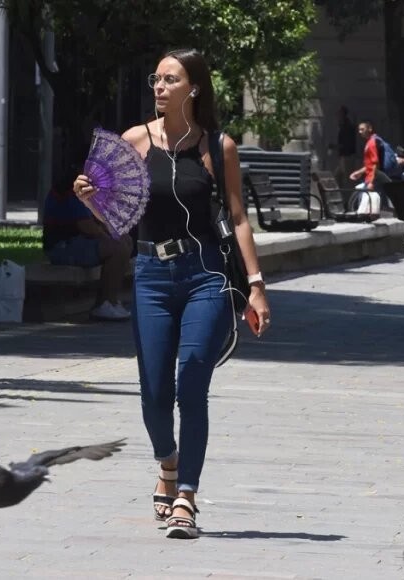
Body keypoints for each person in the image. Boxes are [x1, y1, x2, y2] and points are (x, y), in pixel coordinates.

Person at [74, 48, 271, 539]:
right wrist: (91, 199)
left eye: (170, 79)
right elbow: (115, 221)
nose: (159, 87)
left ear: (193, 88)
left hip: (205, 272)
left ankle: (186, 495)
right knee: (155, 395)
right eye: (155, 79)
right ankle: (167, 462)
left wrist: (256, 287)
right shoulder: (133, 142)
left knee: (193, 381)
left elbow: (239, 218)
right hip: (151, 274)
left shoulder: (218, 145)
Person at [43, 173, 133, 320]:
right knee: (117, 248)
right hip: (62, 247)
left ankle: (111, 301)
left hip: (78, 242)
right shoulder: (73, 189)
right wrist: (110, 237)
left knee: (125, 241)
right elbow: (86, 226)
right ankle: (105, 303)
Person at [348, 121, 391, 215]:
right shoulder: (371, 142)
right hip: (372, 175)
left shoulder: (372, 143)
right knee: (376, 198)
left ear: (370, 129)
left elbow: (375, 163)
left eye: (362, 129)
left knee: (371, 197)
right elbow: (370, 164)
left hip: (373, 176)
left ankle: (369, 216)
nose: (360, 132)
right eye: (359, 129)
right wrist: (360, 172)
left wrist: (372, 181)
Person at [333, 106, 357, 188]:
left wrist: (335, 146)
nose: (337, 116)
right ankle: (342, 196)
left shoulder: (347, 127)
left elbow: (346, 143)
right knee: (337, 176)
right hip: (343, 156)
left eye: (339, 114)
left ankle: (349, 198)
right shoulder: (343, 126)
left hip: (347, 156)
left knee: (347, 179)